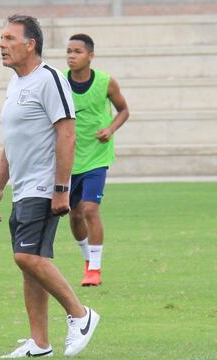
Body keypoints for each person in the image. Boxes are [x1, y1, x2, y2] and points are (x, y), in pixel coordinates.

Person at [0, 15, 100, 358]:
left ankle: (81, 315)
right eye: (1, 38)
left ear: (30, 44)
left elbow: (67, 132)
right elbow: (12, 141)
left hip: (43, 185)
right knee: (29, 262)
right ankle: (39, 343)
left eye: (8, 38)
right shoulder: (16, 84)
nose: (1, 44)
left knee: (27, 255)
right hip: (22, 188)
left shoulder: (49, 78)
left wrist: (61, 188)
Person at [65, 33, 129, 286]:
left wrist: (110, 129)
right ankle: (87, 259)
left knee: (90, 209)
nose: (71, 56)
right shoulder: (59, 81)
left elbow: (124, 110)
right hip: (68, 158)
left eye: (77, 51)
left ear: (90, 55)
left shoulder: (105, 82)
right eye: (68, 51)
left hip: (97, 158)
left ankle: (95, 268)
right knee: (74, 214)